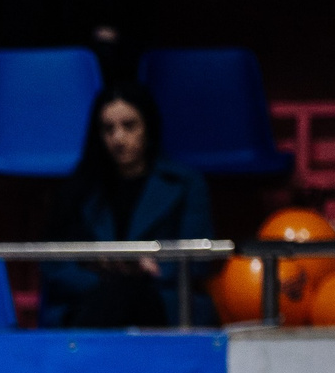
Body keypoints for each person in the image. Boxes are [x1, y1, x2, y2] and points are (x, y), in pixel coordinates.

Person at [40, 82, 212, 328]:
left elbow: (198, 262)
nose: (118, 138)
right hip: (90, 299)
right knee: (116, 295)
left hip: (161, 302)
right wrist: (108, 274)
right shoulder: (77, 188)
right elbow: (56, 268)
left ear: (148, 127)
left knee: (128, 294)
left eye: (129, 126)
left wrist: (147, 267)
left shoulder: (186, 183)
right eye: (108, 129)